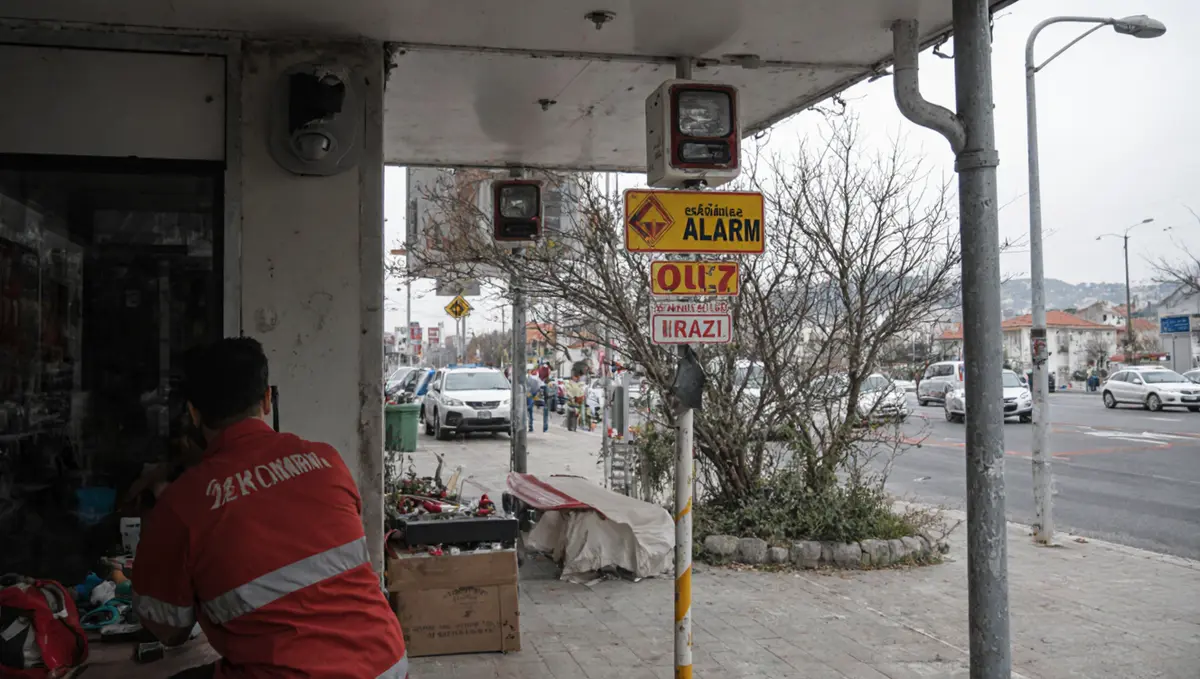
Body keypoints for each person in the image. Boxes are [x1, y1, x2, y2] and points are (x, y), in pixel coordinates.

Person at [133, 338, 407, 679]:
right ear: (266, 399)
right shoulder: (327, 461)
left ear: (193, 412)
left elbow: (168, 630)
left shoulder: (183, 503)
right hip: (386, 665)